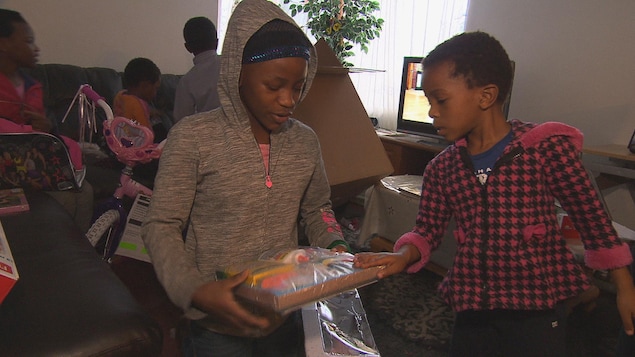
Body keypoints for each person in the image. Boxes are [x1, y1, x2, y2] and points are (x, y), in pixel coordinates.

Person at [353, 31, 635, 356]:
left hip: (536, 308)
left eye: (440, 100)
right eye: (429, 101)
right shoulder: (442, 169)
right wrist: (402, 256)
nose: (432, 112)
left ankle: (583, 296)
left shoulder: (543, 149)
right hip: (473, 307)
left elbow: (592, 218)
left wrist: (623, 287)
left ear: (486, 96)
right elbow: (427, 230)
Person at [141, 0, 348, 355]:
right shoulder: (193, 138)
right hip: (215, 326)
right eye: (274, 85)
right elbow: (160, 224)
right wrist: (193, 288)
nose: (288, 100)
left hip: (285, 314)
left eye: (298, 87)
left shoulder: (305, 142)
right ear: (237, 73)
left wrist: (336, 246)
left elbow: (318, 208)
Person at [0, 8, 93, 233]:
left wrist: (48, 127)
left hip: (32, 166)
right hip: (7, 170)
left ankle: (78, 257)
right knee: (65, 201)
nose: (36, 48)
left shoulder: (33, 86)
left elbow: (46, 136)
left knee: (85, 191)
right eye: (29, 42)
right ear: (4, 44)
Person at [173, 16, 221, 122]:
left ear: (188, 47)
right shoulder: (234, 65)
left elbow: (181, 123)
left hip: (206, 135)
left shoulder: (186, 82)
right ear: (216, 42)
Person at [114, 57, 167, 142]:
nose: (155, 94)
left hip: (120, 140)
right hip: (137, 146)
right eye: (155, 88)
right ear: (144, 85)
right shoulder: (138, 105)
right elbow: (147, 133)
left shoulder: (121, 95)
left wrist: (151, 112)